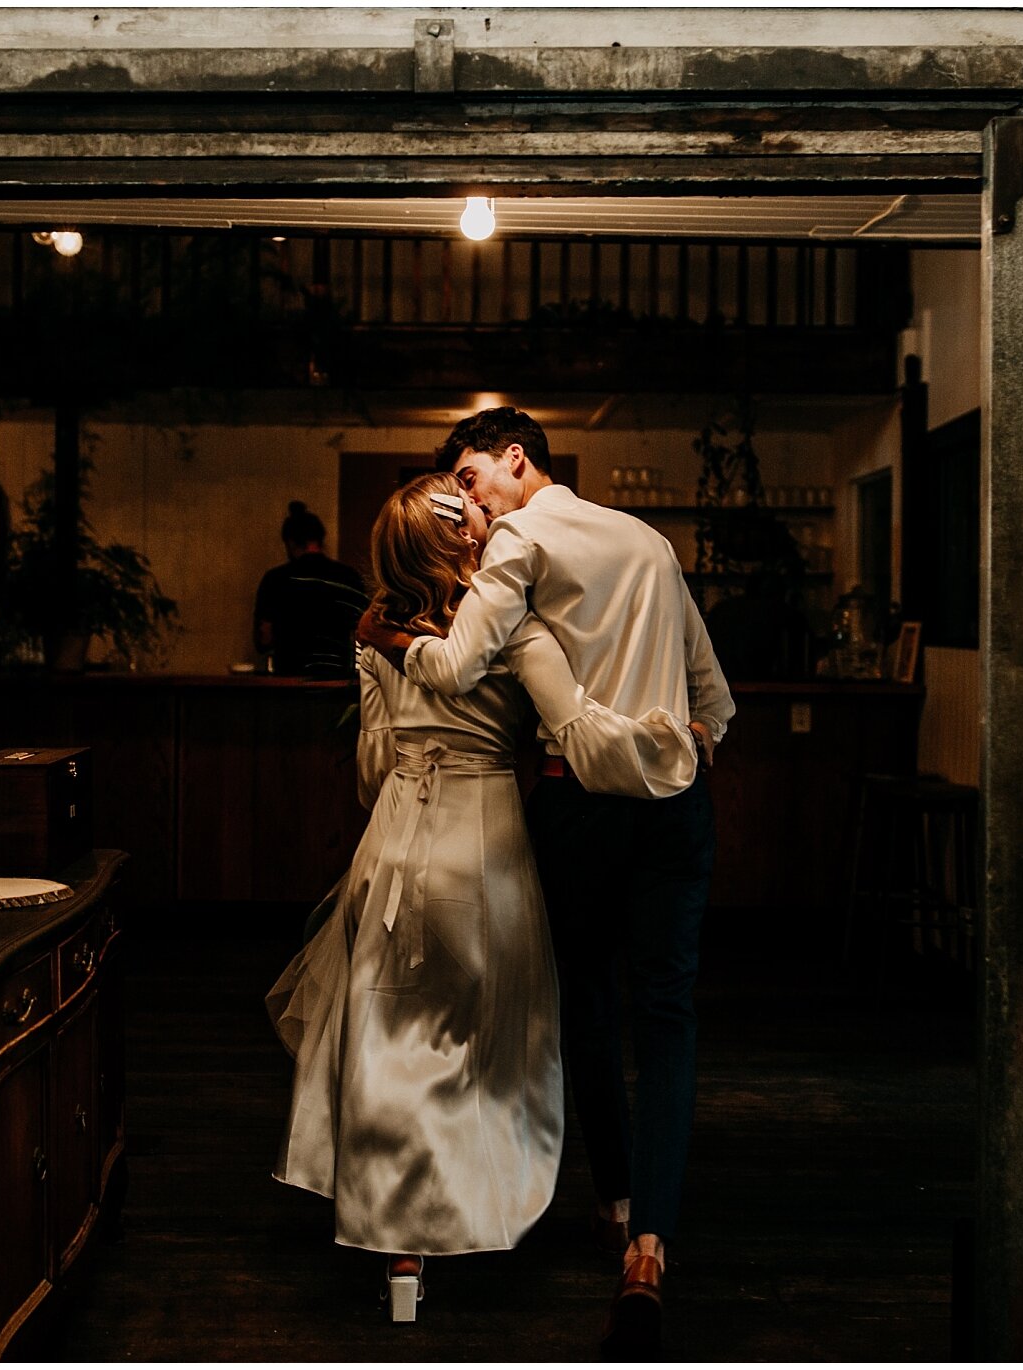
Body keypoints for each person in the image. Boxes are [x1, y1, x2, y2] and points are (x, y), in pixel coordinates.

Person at [269, 472, 699, 1323]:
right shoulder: (516, 630)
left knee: (389, 1040)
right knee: (487, 1041)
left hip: (393, 844)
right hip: (488, 847)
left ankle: (400, 1250)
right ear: (462, 544)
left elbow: (369, 775)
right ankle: (477, 1206)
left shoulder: (375, 639)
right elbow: (572, 729)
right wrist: (662, 748)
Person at [359, 406, 735, 1356]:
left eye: (472, 479)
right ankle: (647, 1243)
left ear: (514, 459)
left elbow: (455, 666)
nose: (470, 506)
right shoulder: (650, 540)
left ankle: (611, 1200)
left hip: (581, 809)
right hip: (677, 803)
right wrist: (682, 750)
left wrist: (388, 638)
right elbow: (716, 699)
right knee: (670, 1016)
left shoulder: (519, 538)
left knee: (589, 1009)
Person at [252, 499, 368, 677]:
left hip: (288, 678)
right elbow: (364, 632)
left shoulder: (276, 579)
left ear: (290, 543)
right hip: (336, 679)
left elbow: (264, 638)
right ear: (321, 539)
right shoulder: (348, 577)